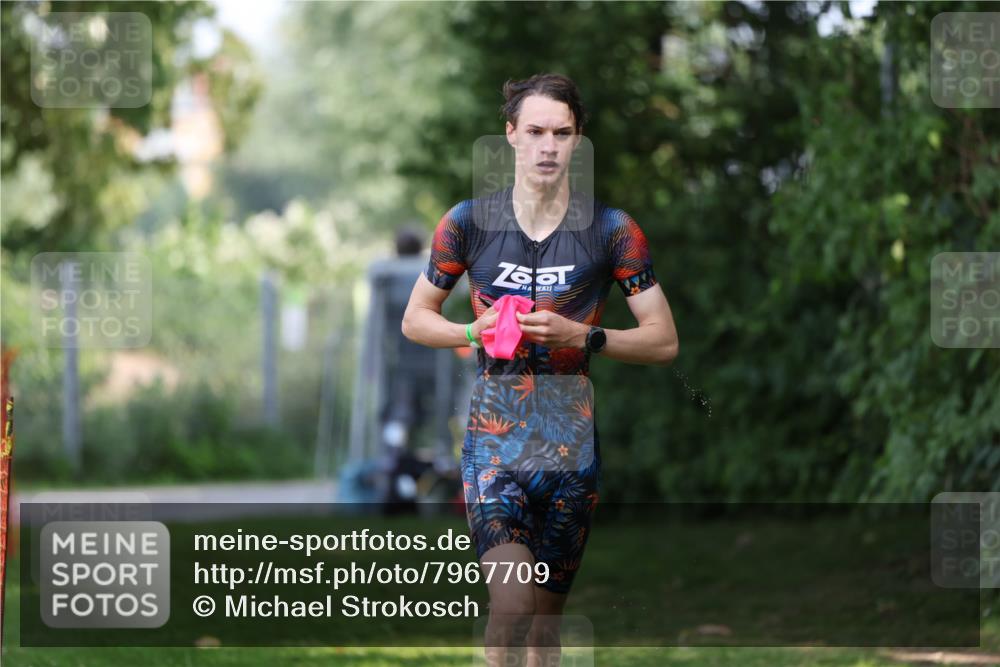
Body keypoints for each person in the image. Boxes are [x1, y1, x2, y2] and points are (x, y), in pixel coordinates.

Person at [401, 73, 678, 666]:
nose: (548, 146)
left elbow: (663, 341)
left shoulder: (613, 231)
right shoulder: (468, 223)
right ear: (511, 136)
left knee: (546, 625)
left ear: (578, 140)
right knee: (513, 605)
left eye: (562, 133)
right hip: (494, 441)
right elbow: (416, 320)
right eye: (535, 132)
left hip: (571, 448)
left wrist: (585, 335)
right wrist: (474, 331)